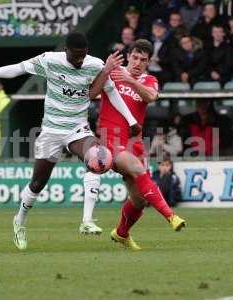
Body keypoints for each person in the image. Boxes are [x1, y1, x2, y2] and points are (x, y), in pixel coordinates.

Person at [0, 32, 141, 250]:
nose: (80, 61)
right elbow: (17, 68)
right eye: (75, 56)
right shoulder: (49, 61)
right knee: (37, 184)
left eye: (83, 56)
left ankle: (87, 221)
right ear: (66, 51)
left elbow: (111, 91)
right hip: (52, 131)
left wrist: (131, 120)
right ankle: (19, 221)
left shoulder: (95, 65)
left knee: (98, 158)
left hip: (77, 129)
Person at [85, 39, 186, 250]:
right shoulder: (112, 72)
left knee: (139, 201)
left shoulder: (149, 80)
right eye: (135, 57)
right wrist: (106, 71)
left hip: (135, 144)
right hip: (110, 140)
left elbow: (151, 97)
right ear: (128, 56)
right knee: (139, 170)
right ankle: (171, 216)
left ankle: (121, 233)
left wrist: (131, 80)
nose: (138, 62)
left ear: (148, 62)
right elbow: (91, 93)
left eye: (143, 60)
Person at [148, 19, 174, 86]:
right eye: (155, 28)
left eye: (160, 28)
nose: (158, 29)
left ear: (165, 30)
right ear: (152, 30)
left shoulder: (170, 43)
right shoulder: (148, 42)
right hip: (149, 72)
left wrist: (159, 60)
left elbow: (172, 60)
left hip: (164, 74)